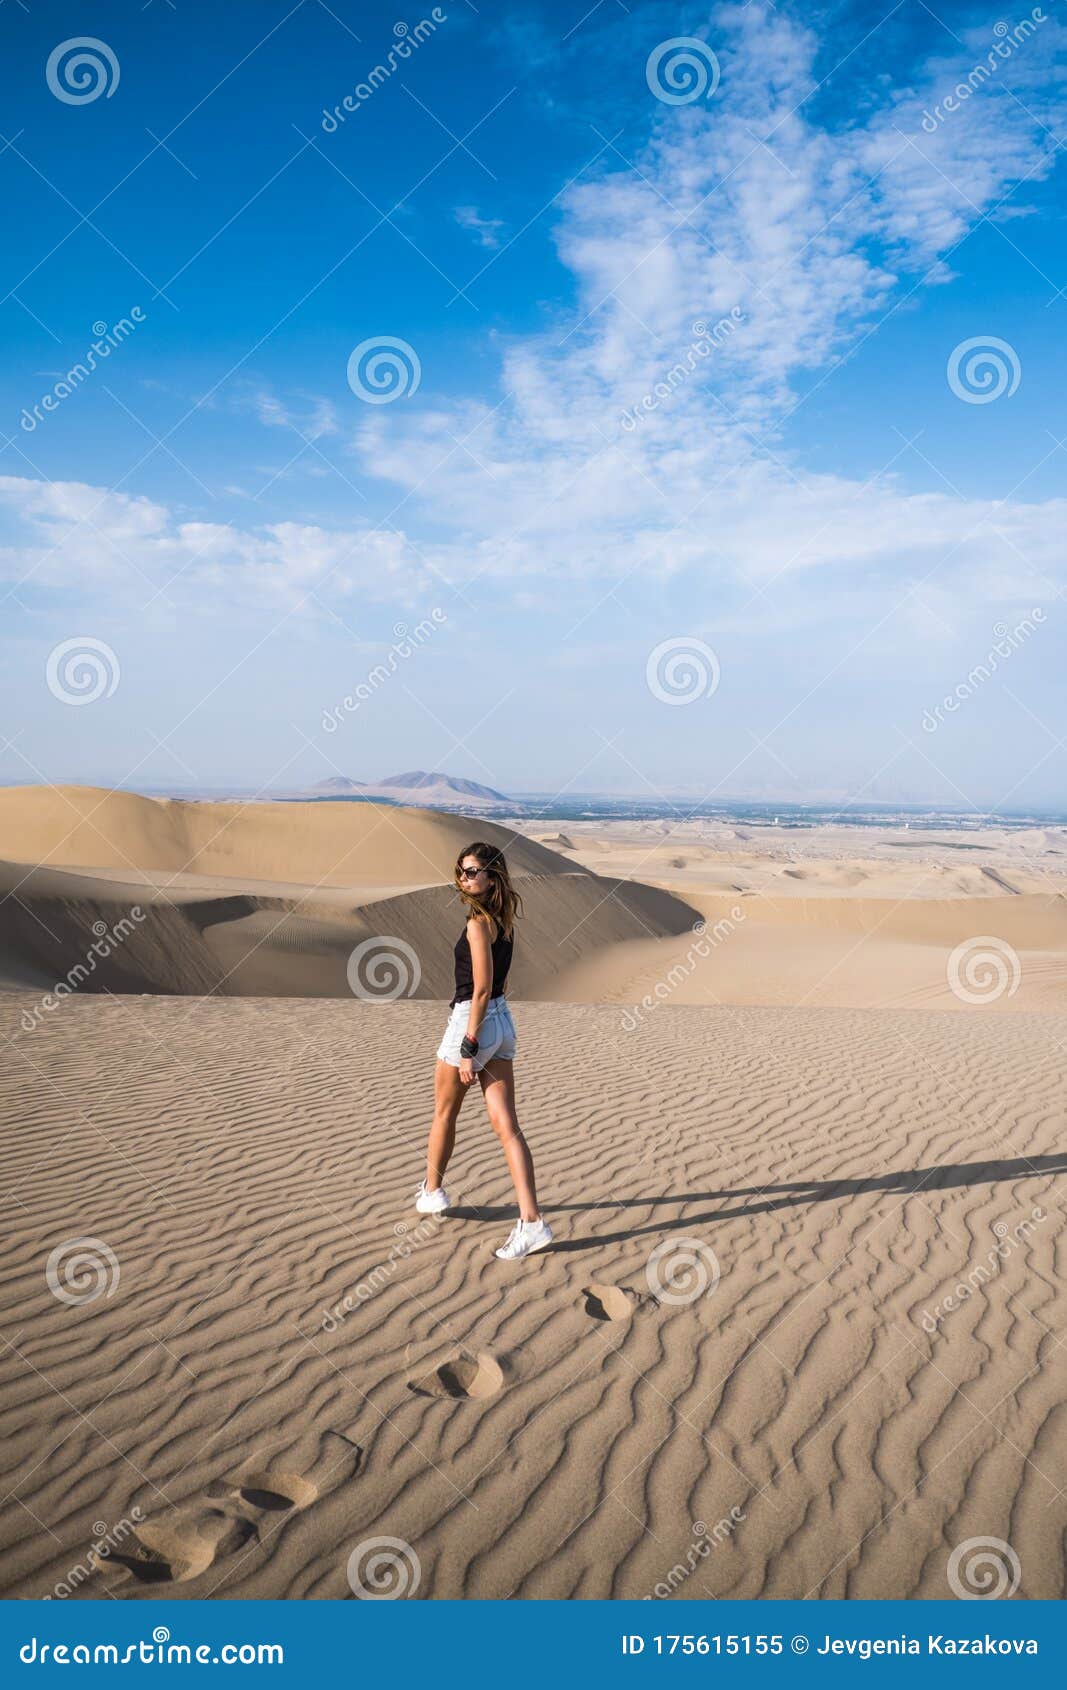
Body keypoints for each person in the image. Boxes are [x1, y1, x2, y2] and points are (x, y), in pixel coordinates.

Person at [414, 842, 552, 1260]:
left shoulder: (478, 924)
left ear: (493, 876)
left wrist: (468, 1047)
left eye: (473, 871)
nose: (464, 878)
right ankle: (532, 1223)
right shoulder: (503, 920)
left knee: (444, 1111)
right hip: (503, 1023)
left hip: (473, 1023)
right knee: (506, 1125)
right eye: (460, 870)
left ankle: (433, 1192)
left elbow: (479, 990)